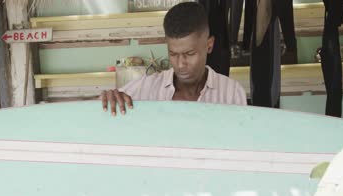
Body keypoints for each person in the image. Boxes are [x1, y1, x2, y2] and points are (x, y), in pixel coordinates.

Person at [100, 2, 247, 116]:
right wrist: (109, 97)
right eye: (173, 54)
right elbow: (101, 109)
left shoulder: (232, 93)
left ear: (209, 45)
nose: (180, 64)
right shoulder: (145, 88)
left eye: (189, 54)